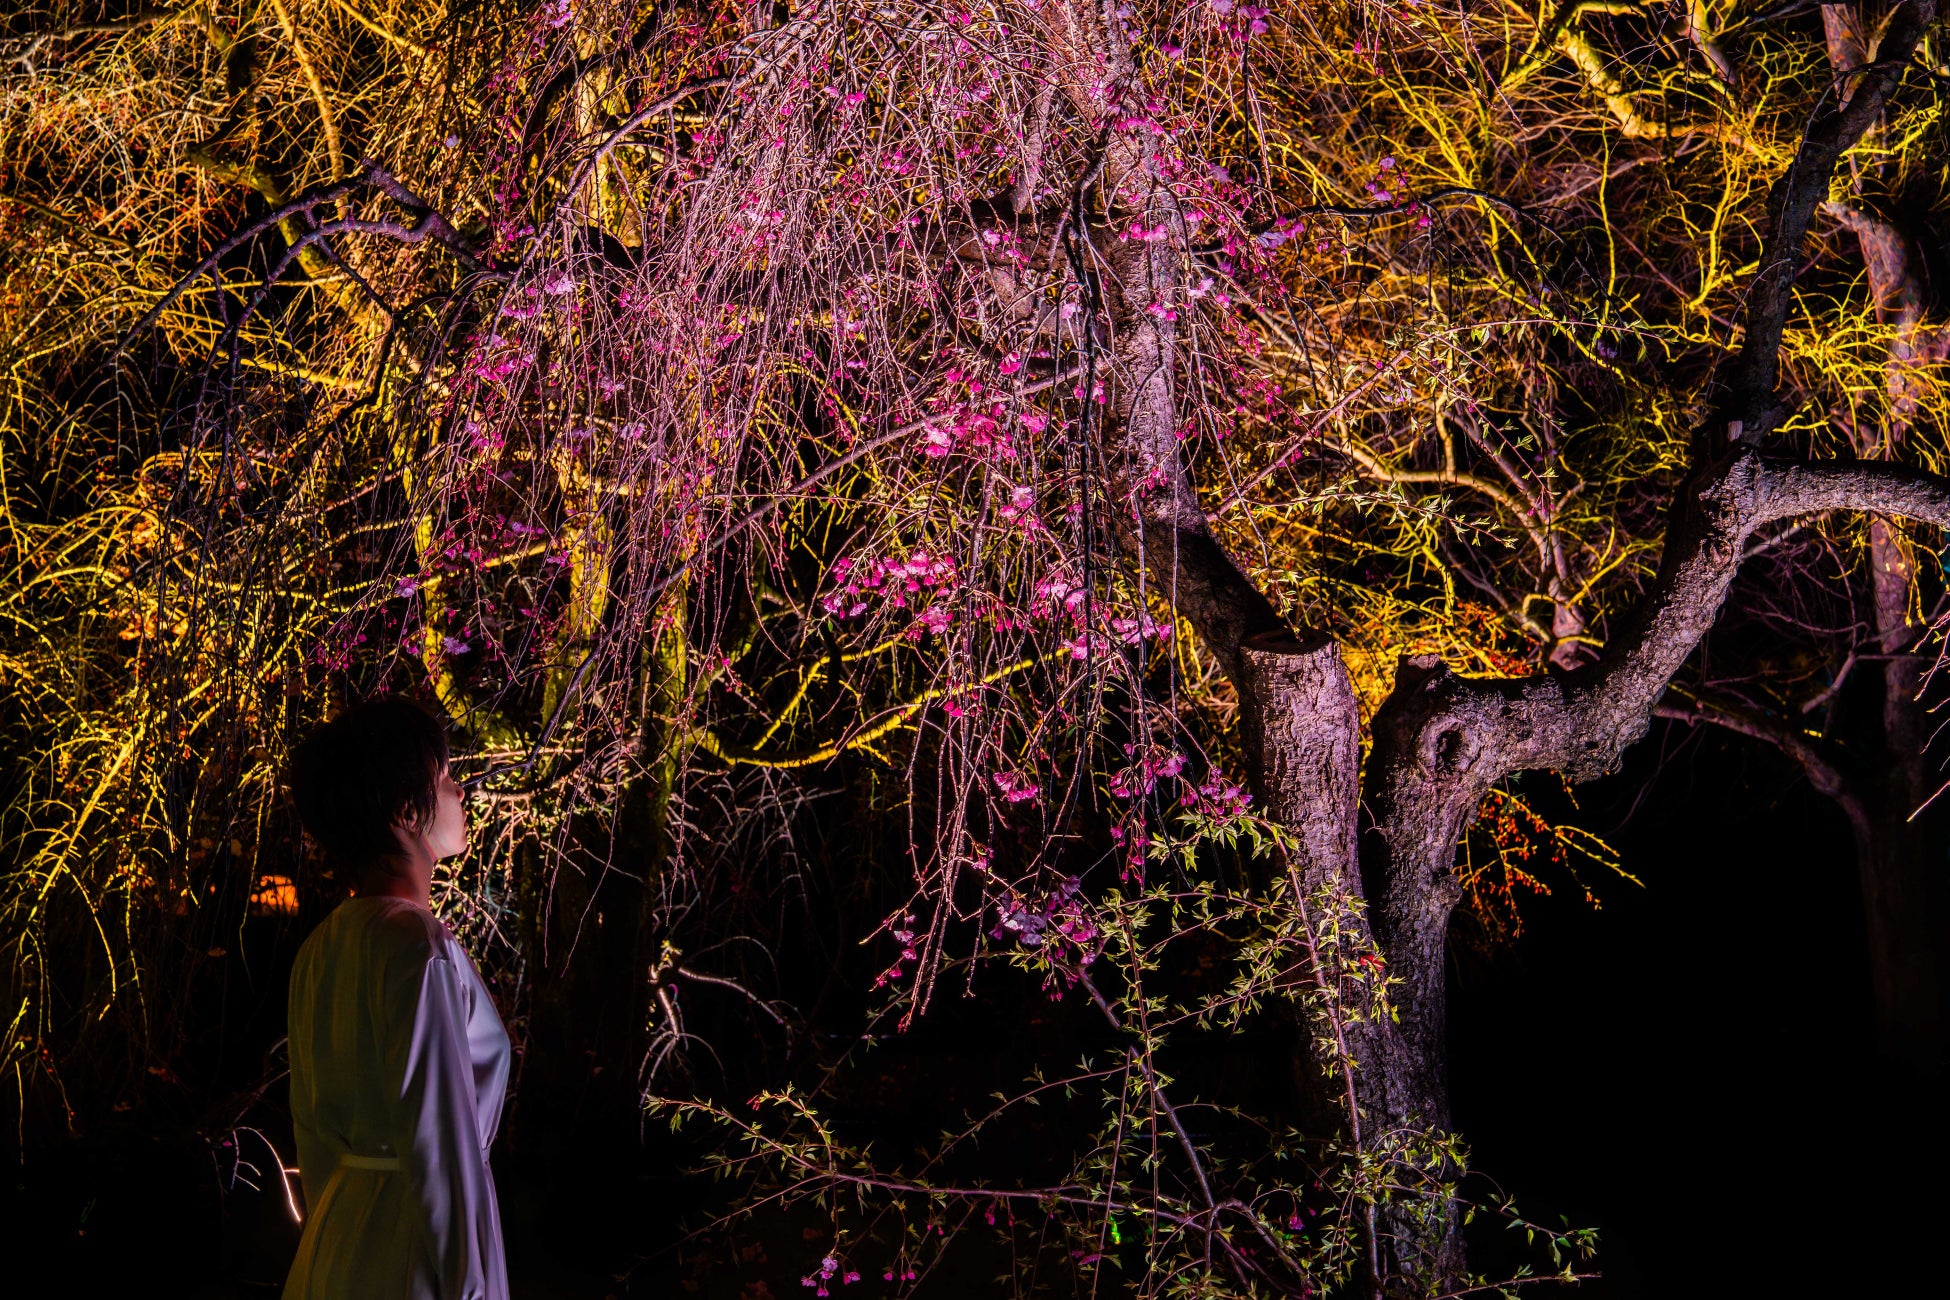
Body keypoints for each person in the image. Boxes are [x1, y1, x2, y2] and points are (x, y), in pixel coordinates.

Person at [282, 697, 510, 1300]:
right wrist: (474, 1286)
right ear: (409, 810)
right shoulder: (418, 949)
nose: (461, 792)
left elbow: (314, 1135)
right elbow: (442, 1142)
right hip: (414, 1256)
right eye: (446, 777)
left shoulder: (320, 952)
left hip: (338, 1243)